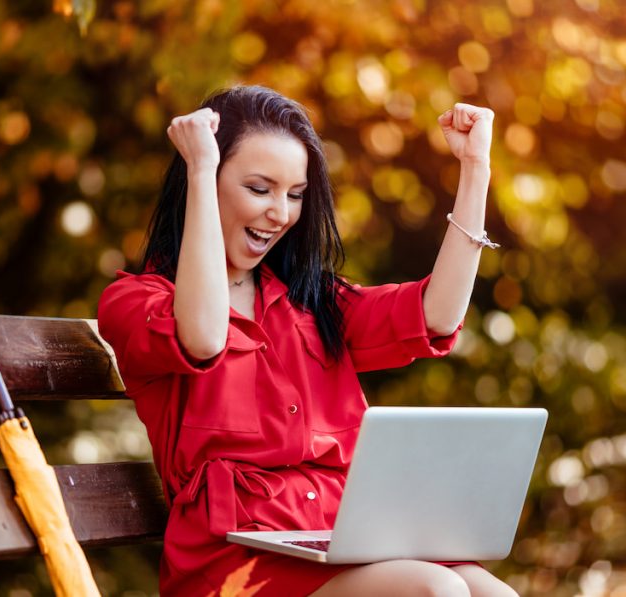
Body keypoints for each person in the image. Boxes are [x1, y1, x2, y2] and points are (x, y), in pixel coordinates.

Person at [98, 85, 514, 596]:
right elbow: (204, 337)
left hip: (337, 539)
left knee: (494, 593)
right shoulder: (133, 301)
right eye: (259, 188)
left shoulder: (311, 304)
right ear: (204, 182)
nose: (281, 214)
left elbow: (436, 314)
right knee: (436, 591)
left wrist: (476, 169)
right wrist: (200, 170)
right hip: (236, 565)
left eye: (294, 195)